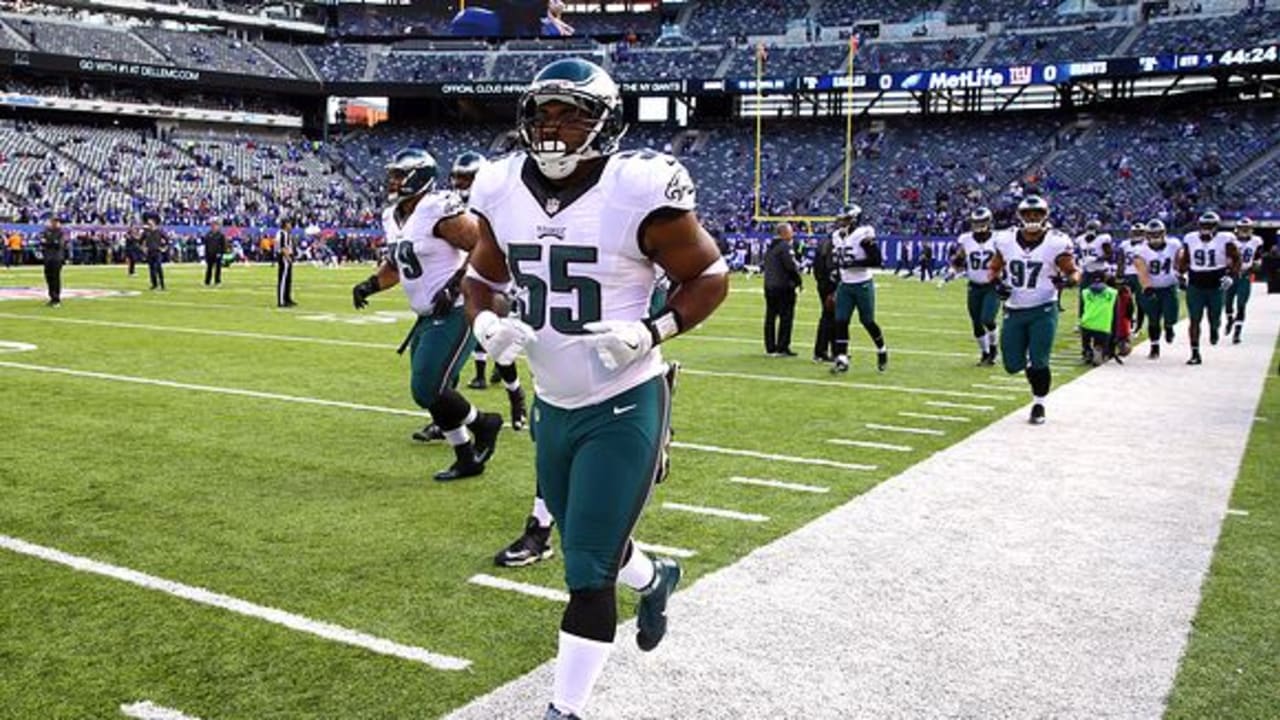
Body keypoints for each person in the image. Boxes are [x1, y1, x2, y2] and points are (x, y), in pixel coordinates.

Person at [460, 58, 729, 720]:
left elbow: (711, 274)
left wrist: (653, 330)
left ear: (605, 122)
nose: (554, 128)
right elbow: (481, 278)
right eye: (544, 112)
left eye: (571, 113)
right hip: (553, 402)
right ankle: (657, 577)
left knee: (585, 569)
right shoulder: (497, 188)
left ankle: (565, 710)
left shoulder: (638, 188)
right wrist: (486, 322)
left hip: (626, 397)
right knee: (592, 537)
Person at [351, 147, 504, 481]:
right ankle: (466, 458)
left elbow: (483, 247)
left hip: (456, 311)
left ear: (418, 176)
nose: (391, 180)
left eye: (398, 174)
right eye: (391, 173)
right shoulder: (393, 215)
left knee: (427, 388)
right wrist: (370, 284)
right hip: (426, 314)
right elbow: (398, 264)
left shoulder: (438, 208)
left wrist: (456, 282)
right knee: (436, 394)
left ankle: (485, 423)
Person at [450, 150, 530, 433]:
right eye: (458, 177)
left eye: (466, 178)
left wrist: (461, 274)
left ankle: (515, 394)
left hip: (495, 281)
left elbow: (489, 247)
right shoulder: (454, 206)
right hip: (465, 279)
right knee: (451, 350)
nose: (460, 183)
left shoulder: (497, 203)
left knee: (496, 340)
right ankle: (445, 413)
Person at [989, 195, 1080, 425]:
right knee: (1012, 365)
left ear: (1045, 215)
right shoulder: (1005, 239)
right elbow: (994, 269)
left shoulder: (1056, 242)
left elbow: (1073, 271)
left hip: (1044, 308)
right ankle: (1032, 372)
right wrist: (997, 283)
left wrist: (1070, 281)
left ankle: (1039, 404)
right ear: (1020, 216)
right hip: (1014, 308)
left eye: (1037, 214)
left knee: (1040, 360)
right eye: (1028, 214)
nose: (1032, 218)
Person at [830, 204, 888, 373]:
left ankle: (881, 349)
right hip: (845, 285)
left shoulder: (862, 234)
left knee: (867, 321)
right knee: (840, 321)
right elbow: (839, 260)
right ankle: (841, 357)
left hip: (862, 284)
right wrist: (836, 271)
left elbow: (877, 260)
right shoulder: (836, 236)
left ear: (854, 219)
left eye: (845, 218)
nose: (841, 221)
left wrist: (854, 264)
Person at [1178, 211, 1240, 365]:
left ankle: (1214, 329)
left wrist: (1231, 276)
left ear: (1216, 226)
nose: (1206, 228)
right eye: (1204, 225)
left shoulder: (1225, 239)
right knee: (1194, 319)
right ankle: (1195, 352)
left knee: (1215, 317)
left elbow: (1236, 259)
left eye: (1210, 225)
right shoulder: (1190, 238)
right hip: (1196, 283)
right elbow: (1185, 260)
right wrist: (1181, 275)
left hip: (1215, 283)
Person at [951, 206, 1000, 366]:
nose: (979, 225)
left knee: (988, 318)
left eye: (982, 221)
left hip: (992, 285)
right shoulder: (966, 239)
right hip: (974, 285)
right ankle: (985, 354)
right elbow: (959, 258)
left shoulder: (998, 239)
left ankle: (993, 347)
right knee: (976, 322)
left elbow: (1005, 259)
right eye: (976, 222)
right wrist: (956, 265)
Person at [1130, 219, 1181, 360]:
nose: (1155, 236)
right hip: (1152, 287)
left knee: (1171, 315)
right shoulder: (1141, 250)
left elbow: (1179, 261)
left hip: (1169, 286)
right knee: (1153, 319)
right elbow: (1141, 270)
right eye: (1152, 234)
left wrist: (1182, 275)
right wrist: (1147, 287)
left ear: (1164, 233)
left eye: (1158, 233)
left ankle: (1169, 326)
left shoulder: (1174, 245)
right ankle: (1154, 347)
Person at [1073, 219, 1112, 361]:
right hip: (1087, 273)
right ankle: (1082, 321)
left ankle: (1101, 323)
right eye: (1088, 228)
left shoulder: (1103, 239)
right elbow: (1076, 253)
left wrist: (1097, 258)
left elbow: (1110, 255)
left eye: (1093, 228)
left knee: (1100, 301)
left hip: (1100, 273)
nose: (1090, 231)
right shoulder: (1081, 240)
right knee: (1084, 299)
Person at [762, 222, 802, 357]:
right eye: (790, 231)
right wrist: (798, 281)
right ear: (783, 233)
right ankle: (782, 346)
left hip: (769, 285)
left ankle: (770, 346)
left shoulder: (770, 246)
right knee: (786, 317)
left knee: (770, 317)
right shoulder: (784, 247)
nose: (792, 234)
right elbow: (790, 266)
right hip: (783, 286)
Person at [1226, 217, 1262, 344]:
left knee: (1241, 305)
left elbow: (1257, 257)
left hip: (1245, 276)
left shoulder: (1256, 241)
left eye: (1247, 228)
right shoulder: (1231, 241)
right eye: (1243, 228)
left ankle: (1237, 332)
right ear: (1238, 229)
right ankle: (1230, 318)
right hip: (1231, 275)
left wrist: (1257, 264)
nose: (1245, 231)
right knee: (1228, 303)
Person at [811, 228, 838, 362]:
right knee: (829, 318)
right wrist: (832, 289)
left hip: (824, 284)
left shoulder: (824, 243)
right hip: (829, 286)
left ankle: (834, 350)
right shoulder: (830, 246)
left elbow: (816, 268)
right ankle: (822, 351)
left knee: (831, 318)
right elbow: (830, 268)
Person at [1118, 221, 1147, 334]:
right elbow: (1121, 261)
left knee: (1141, 302)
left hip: (1141, 275)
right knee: (1125, 301)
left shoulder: (1147, 245)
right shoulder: (1125, 244)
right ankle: (1129, 322)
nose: (1137, 234)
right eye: (1136, 232)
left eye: (1140, 232)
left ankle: (1138, 326)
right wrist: (1119, 275)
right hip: (1128, 274)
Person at [39, 217, 65, 307]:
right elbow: (42, 241)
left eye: (56, 222)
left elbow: (59, 244)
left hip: (57, 258)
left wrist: (48, 242)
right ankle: (52, 297)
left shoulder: (60, 232)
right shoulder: (47, 231)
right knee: (48, 278)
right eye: (53, 222)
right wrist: (51, 242)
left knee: (55, 278)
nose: (54, 224)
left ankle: (56, 298)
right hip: (48, 258)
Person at [142, 214, 167, 291]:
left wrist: (164, 248)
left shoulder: (159, 231)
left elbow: (167, 240)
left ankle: (162, 284)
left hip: (157, 252)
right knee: (151, 269)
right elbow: (140, 241)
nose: (149, 223)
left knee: (158, 267)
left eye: (150, 222)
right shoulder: (146, 232)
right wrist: (143, 248)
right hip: (150, 252)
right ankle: (154, 284)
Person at [276, 220, 297, 307]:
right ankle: (281, 301)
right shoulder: (282, 234)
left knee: (288, 279)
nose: (291, 225)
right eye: (289, 224)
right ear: (285, 225)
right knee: (283, 280)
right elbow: (283, 247)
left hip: (287, 257)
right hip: (284, 258)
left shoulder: (286, 234)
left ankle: (287, 298)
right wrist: (288, 258)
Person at [203, 219, 227, 286]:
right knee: (209, 268)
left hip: (218, 254)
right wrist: (206, 254)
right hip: (210, 253)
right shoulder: (208, 234)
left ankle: (217, 281)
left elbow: (224, 245)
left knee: (218, 269)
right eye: (213, 225)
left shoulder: (221, 235)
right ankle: (207, 281)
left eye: (215, 225)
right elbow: (206, 245)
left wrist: (222, 253)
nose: (214, 227)